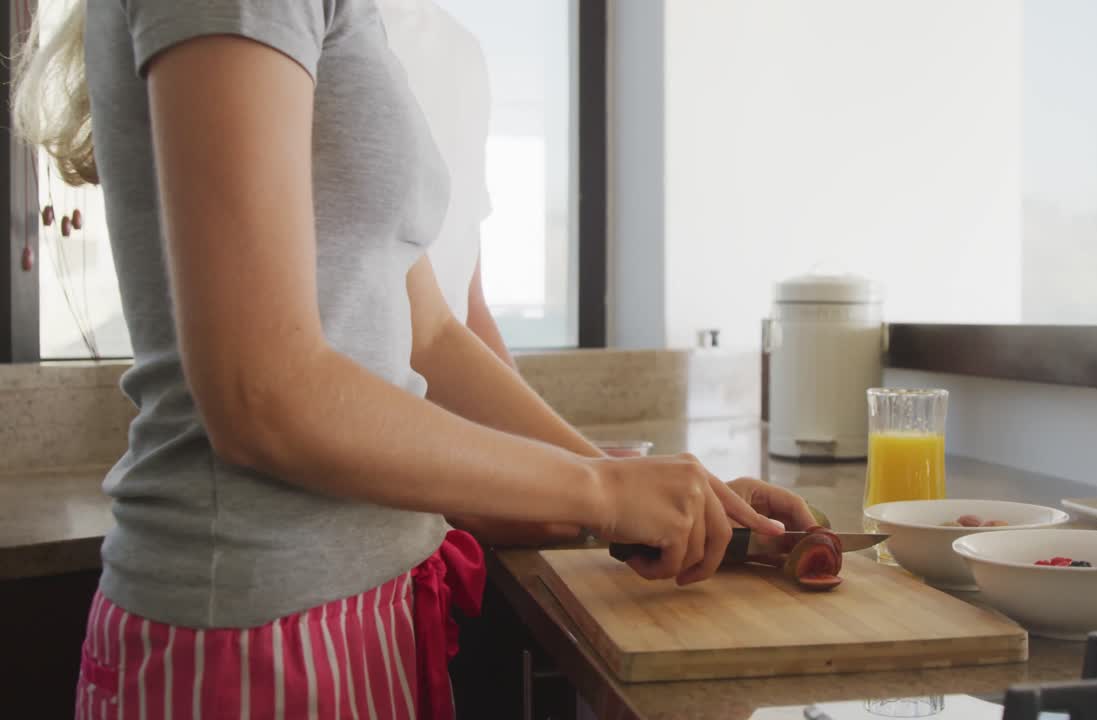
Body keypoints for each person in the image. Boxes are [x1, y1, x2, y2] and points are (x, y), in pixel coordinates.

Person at [13, 1, 817, 717]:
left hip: (363, 619)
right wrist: (597, 489)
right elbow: (262, 389)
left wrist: (659, 497)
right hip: (249, 642)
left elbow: (429, 338)